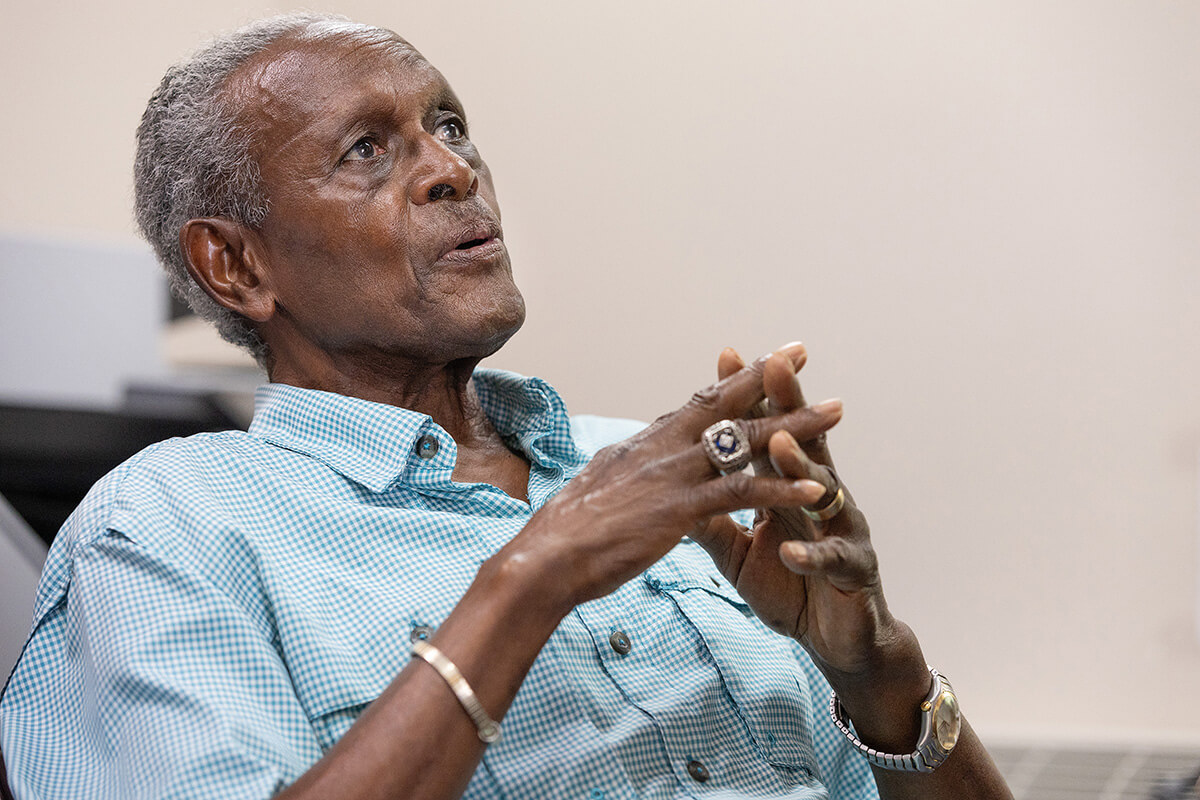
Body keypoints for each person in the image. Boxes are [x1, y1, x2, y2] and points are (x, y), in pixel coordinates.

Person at [0, 13, 1013, 800]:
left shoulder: (653, 473)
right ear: (238, 264)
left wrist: (880, 671)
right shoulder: (164, 529)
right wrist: (535, 575)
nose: (453, 169)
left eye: (448, 126)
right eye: (367, 150)